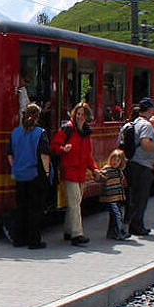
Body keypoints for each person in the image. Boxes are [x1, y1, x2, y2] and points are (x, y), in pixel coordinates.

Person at [50, 102, 101, 246]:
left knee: (75, 202)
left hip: (81, 172)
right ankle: (77, 234)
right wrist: (63, 149)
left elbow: (88, 155)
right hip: (69, 170)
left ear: (87, 116)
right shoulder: (67, 129)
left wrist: (94, 169)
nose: (80, 116)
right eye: (78, 114)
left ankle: (68, 230)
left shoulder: (86, 131)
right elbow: (53, 146)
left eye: (83, 114)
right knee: (75, 203)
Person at [7, 103, 51, 249]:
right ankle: (34, 240)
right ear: (38, 117)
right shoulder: (40, 133)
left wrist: (16, 168)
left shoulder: (15, 133)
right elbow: (44, 155)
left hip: (20, 175)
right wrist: (47, 173)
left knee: (21, 208)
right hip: (35, 174)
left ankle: (18, 239)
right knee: (35, 209)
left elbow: (10, 155)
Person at [126, 98, 154, 236]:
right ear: (149, 110)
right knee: (141, 197)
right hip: (142, 165)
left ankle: (131, 223)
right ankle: (137, 226)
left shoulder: (133, 123)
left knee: (133, 196)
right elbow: (145, 143)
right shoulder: (146, 126)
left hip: (131, 163)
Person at [99, 149, 129, 240]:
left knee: (116, 215)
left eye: (118, 160)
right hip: (110, 198)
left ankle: (112, 232)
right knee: (117, 215)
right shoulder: (107, 170)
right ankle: (118, 232)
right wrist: (97, 174)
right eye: (113, 159)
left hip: (117, 197)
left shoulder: (119, 171)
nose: (115, 162)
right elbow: (101, 177)